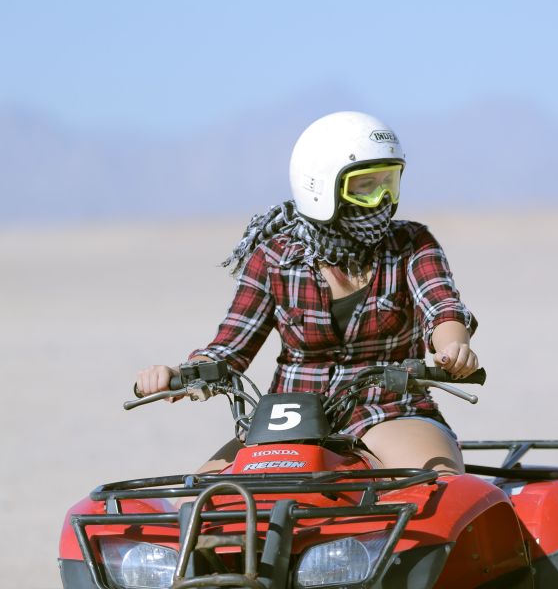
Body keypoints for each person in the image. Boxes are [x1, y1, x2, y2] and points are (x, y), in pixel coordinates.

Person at [136, 111, 479, 475]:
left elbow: (442, 308)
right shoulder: (274, 258)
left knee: (437, 488)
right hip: (291, 417)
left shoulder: (411, 244)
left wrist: (452, 350)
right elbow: (229, 349)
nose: (381, 200)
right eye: (365, 186)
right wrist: (180, 374)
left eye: (388, 183)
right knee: (200, 502)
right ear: (320, 188)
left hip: (390, 409)